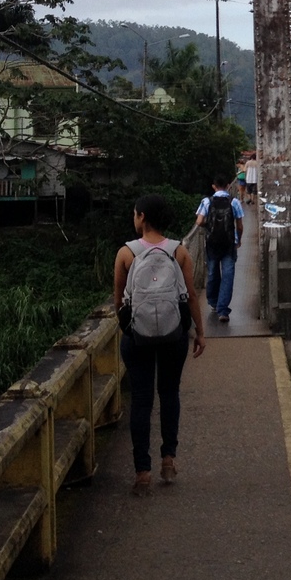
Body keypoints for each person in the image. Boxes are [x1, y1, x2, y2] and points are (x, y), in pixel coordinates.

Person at [113, 193, 205, 497]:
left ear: (141, 217)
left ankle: (142, 471)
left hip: (137, 337)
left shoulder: (126, 253)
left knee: (141, 400)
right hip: (173, 335)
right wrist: (199, 332)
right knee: (169, 394)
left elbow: (118, 302)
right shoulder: (179, 251)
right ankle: (168, 458)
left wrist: (129, 328)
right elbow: (190, 295)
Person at [196, 178, 243, 324]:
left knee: (212, 273)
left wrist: (210, 223)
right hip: (229, 244)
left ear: (213, 186)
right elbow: (240, 226)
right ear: (228, 186)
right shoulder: (234, 202)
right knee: (228, 276)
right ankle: (223, 310)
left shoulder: (207, 201)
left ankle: (213, 302)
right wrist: (238, 240)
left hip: (212, 244)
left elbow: (199, 221)